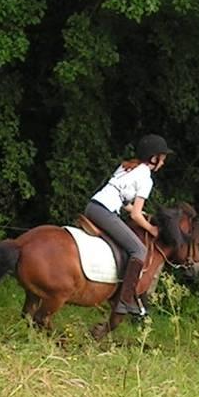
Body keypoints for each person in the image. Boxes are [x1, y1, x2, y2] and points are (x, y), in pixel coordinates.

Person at [84, 134, 173, 316]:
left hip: (93, 206)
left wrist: (141, 213)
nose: (163, 163)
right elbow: (135, 215)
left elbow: (125, 203)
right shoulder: (146, 179)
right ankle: (125, 300)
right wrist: (151, 229)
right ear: (154, 158)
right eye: (162, 159)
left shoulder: (127, 167)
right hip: (104, 212)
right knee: (139, 251)